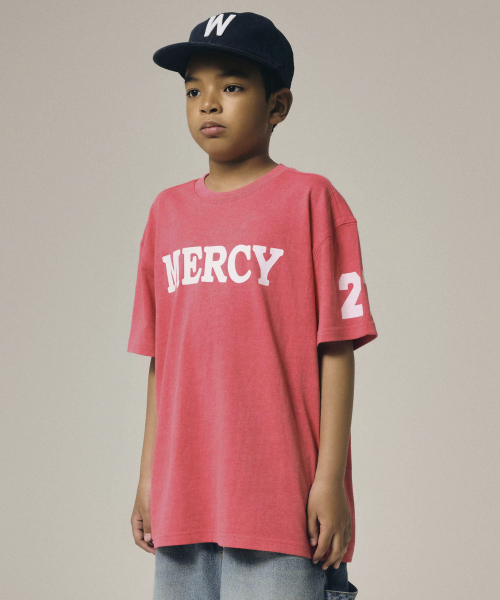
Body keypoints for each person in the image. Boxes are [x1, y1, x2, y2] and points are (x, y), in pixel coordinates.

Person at [127, 11, 378, 600]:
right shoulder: (166, 214)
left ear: (278, 105)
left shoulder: (312, 200)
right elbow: (162, 361)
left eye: (233, 86)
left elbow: (337, 350)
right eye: (194, 91)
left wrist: (329, 482)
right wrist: (147, 481)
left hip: (280, 502)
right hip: (184, 502)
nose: (209, 104)